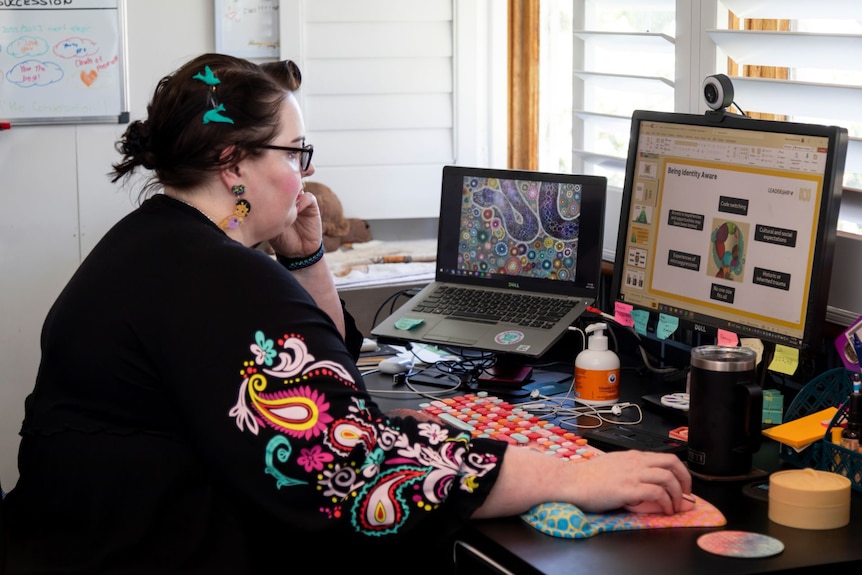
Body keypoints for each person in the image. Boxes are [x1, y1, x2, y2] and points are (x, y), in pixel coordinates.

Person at [2, 53, 692, 574]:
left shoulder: (155, 240)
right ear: (232, 161)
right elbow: (361, 476)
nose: (304, 174)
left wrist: (304, 262)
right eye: (295, 153)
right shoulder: (223, 281)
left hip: (75, 542)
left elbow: (328, 376)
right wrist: (576, 474)